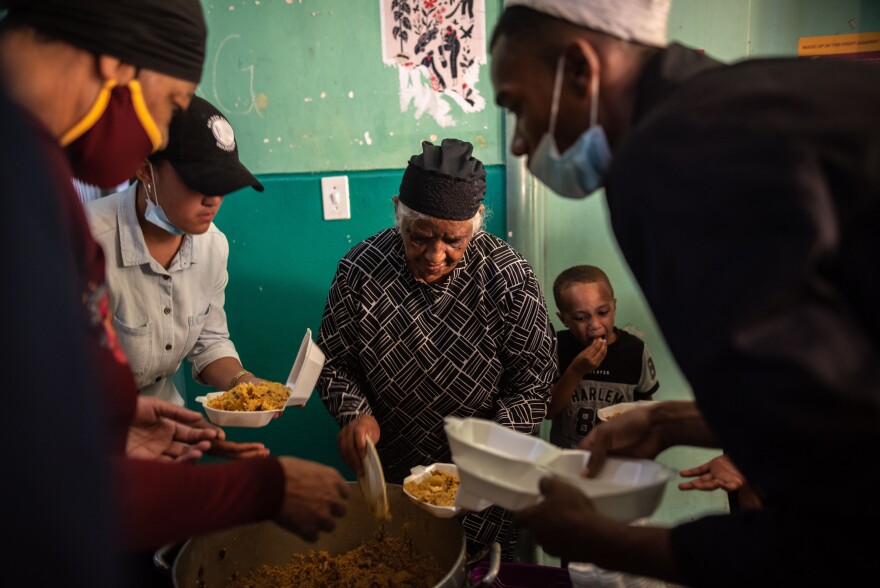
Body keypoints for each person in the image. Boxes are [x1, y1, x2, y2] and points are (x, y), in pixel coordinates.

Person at [490, 0, 880, 586]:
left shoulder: (670, 159)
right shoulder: (738, 96)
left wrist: (602, 539)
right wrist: (675, 421)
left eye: (517, 106)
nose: (519, 143)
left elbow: (839, 528)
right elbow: (845, 400)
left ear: (579, 69)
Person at [0, 2, 348, 586]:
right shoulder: (46, 202)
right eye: (170, 105)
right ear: (118, 63)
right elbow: (50, 482)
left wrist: (116, 422)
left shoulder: (39, 171)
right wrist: (264, 489)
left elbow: (202, 343)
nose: (157, 132)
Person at [317, 138, 558, 560]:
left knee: (481, 566)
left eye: (454, 241)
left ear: (476, 223)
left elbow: (536, 383)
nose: (435, 255)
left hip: (486, 476)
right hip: (395, 470)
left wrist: (489, 445)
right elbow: (332, 362)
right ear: (398, 212)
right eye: (419, 236)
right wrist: (355, 415)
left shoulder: (508, 277)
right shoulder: (360, 269)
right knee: (400, 562)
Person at [86, 95, 271, 428]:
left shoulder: (212, 247)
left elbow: (210, 341)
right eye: (199, 182)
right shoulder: (85, 242)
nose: (213, 200)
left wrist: (244, 383)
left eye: (223, 185)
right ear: (145, 168)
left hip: (163, 420)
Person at [548, 264, 658, 448]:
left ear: (614, 307)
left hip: (621, 457)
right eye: (581, 317)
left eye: (602, 313)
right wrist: (576, 370)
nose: (595, 325)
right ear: (564, 319)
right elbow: (549, 411)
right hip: (569, 457)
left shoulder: (635, 351)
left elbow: (646, 406)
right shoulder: (555, 346)